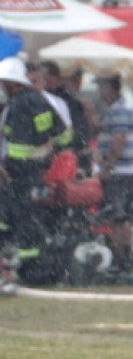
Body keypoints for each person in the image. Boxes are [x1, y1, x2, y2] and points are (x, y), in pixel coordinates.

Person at [0, 56, 65, 279]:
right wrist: (48, 150)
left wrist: (6, 168)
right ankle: (34, 266)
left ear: (13, 83)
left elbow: (17, 147)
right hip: (38, 171)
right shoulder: (40, 101)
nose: (2, 87)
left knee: (14, 219)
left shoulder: (18, 105)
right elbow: (63, 134)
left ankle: (26, 268)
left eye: (4, 83)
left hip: (18, 174)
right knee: (24, 218)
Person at [94, 74, 133, 273]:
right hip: (120, 170)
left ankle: (123, 259)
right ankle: (121, 258)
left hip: (119, 171)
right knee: (117, 215)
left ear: (111, 88)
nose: (99, 91)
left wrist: (108, 167)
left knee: (119, 216)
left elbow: (120, 139)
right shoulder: (115, 109)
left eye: (101, 86)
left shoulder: (120, 110)